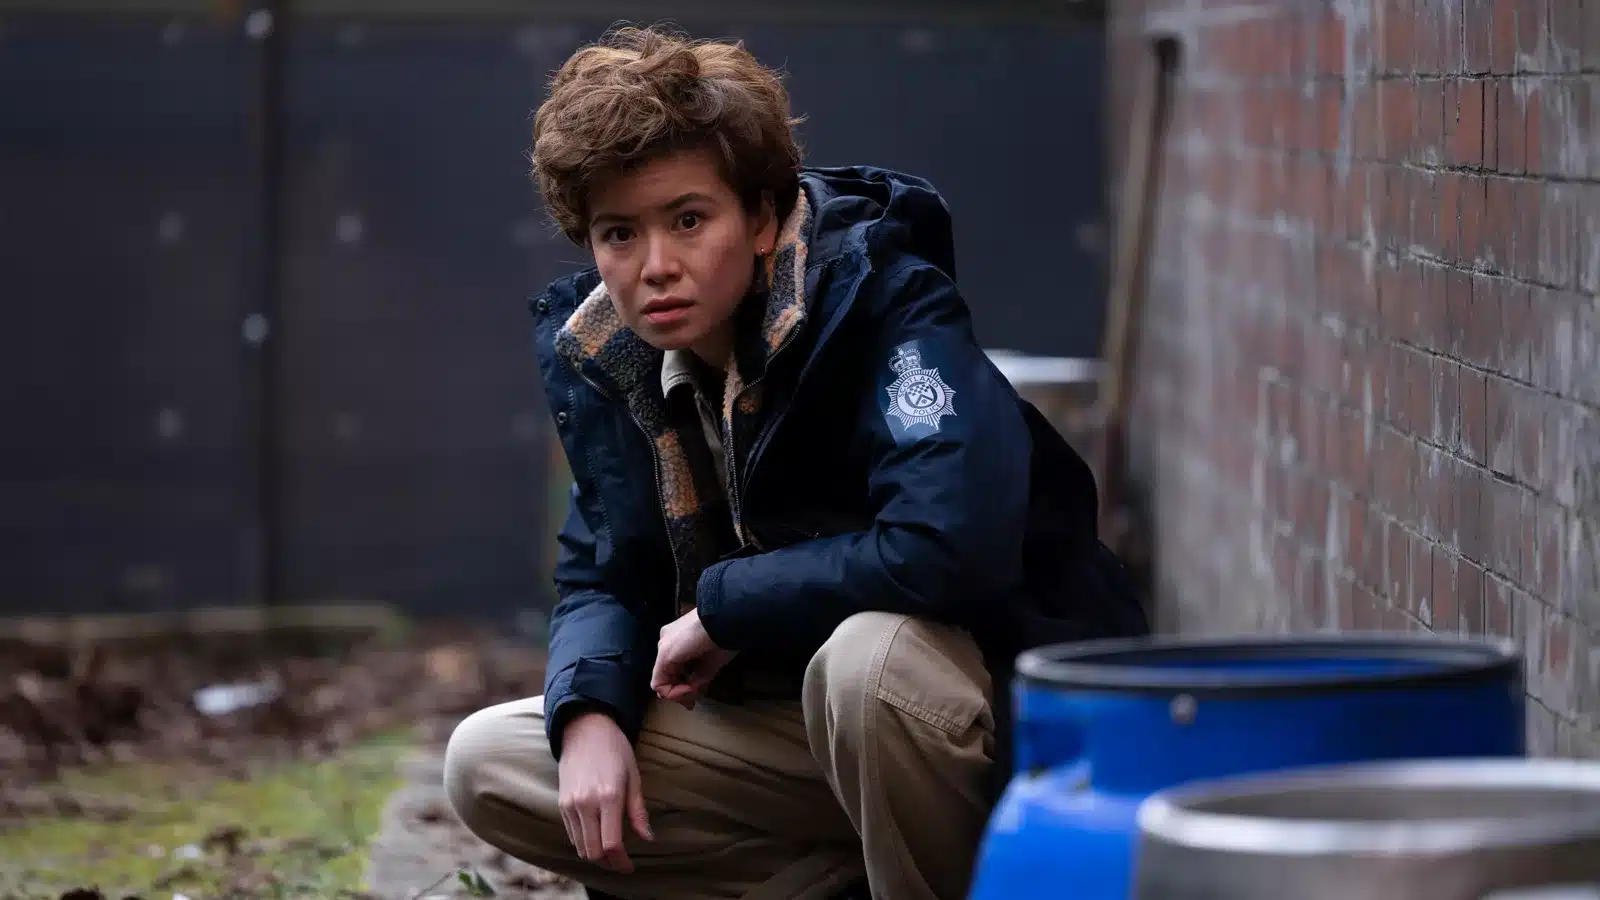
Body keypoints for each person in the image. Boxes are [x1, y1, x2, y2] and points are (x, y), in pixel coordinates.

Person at [443, 25, 1149, 900]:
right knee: (492, 762)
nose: (655, 267)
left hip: (992, 724)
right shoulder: (613, 358)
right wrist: (588, 710)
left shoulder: (882, 303)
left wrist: (725, 608)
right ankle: (846, 879)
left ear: (762, 218)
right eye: (619, 233)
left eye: (689, 220)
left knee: (870, 663)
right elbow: (602, 572)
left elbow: (950, 544)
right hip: (790, 737)